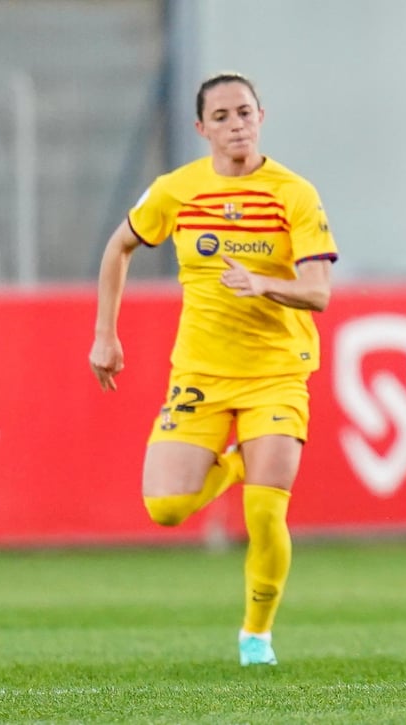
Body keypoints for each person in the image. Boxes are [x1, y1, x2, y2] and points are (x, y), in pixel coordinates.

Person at [89, 72, 338, 667]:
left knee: (265, 510)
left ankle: (257, 635)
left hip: (277, 371)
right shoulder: (177, 191)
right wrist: (105, 334)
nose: (236, 125)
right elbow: (118, 246)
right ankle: (232, 466)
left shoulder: (294, 193)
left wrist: (265, 285)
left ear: (261, 117)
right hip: (200, 371)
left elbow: (319, 293)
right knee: (166, 508)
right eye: (221, 117)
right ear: (201, 129)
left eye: (245, 113)